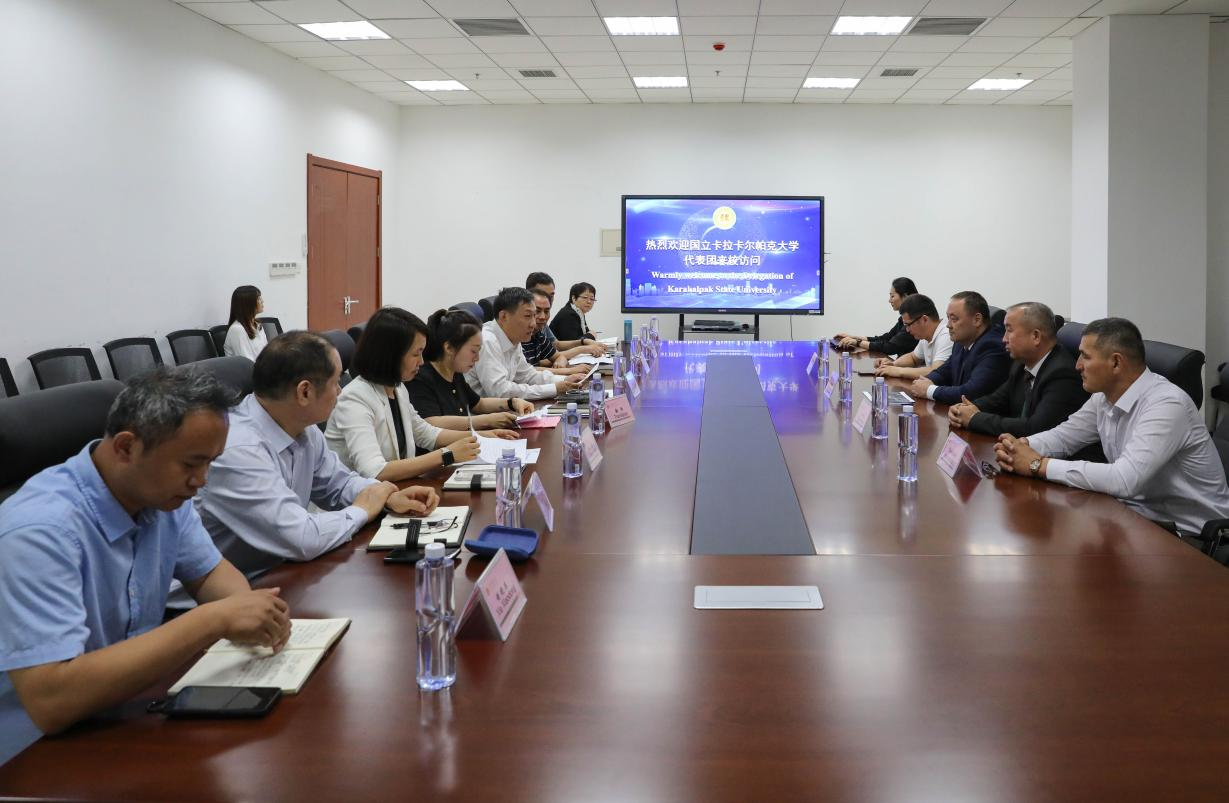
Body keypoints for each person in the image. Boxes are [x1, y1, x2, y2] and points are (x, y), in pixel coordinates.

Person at [0, 368, 292, 765]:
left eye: (210, 463)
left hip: (125, 715)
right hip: (33, 757)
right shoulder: (40, 531)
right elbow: (51, 701)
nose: (201, 481)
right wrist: (214, 620)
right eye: (191, 464)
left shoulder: (161, 496)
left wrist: (252, 616)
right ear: (126, 447)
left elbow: (211, 574)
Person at [193, 331, 439, 582]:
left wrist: (386, 496)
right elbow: (301, 538)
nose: (340, 391)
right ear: (305, 392)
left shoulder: (301, 427)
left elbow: (338, 484)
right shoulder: (238, 450)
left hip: (281, 571)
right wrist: (362, 510)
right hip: (227, 592)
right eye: (336, 382)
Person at [994, 317, 1229, 536]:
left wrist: (1038, 465)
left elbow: (1124, 480)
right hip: (1135, 518)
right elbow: (1065, 436)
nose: (1077, 366)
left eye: (1085, 357)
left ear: (1116, 362)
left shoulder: (1167, 404)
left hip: (1193, 536)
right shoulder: (1104, 397)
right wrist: (1020, 447)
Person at [326, 308, 489, 481]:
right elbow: (374, 471)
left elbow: (425, 433)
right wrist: (447, 454)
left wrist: (484, 437)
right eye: (416, 354)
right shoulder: (354, 400)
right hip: (361, 496)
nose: (422, 361)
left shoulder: (398, 388)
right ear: (391, 355)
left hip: (399, 489)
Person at [949, 302, 1089, 437]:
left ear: (1036, 336)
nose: (1004, 339)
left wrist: (974, 418)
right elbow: (998, 400)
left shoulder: (1062, 374)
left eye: (1009, 330)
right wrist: (962, 409)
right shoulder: (1021, 363)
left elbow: (1034, 428)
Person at [409, 308, 536, 429]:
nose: (477, 358)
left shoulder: (455, 372)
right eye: (473, 351)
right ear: (449, 348)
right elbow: (431, 422)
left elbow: (478, 404)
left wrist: (512, 403)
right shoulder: (420, 378)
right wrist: (486, 421)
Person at [468, 287, 585, 400]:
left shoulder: (514, 337)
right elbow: (500, 391)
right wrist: (553, 389)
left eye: (534, 315)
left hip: (504, 408)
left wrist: (564, 380)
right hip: (479, 412)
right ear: (503, 316)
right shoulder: (486, 340)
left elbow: (528, 376)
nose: (533, 323)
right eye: (528, 316)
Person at [908, 291, 1010, 403]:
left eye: (954, 319)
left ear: (977, 320)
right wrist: (925, 381)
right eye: (948, 318)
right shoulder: (960, 343)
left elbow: (970, 392)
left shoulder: (993, 346)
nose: (948, 325)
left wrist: (928, 390)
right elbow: (944, 372)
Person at [526, 273, 605, 360]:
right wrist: (584, 347)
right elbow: (537, 363)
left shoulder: (541, 324)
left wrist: (584, 341)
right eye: (542, 293)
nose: (548, 299)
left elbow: (555, 345)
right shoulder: (568, 314)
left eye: (551, 295)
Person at [873, 294, 953, 380]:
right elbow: (913, 358)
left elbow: (935, 371)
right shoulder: (926, 336)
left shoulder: (946, 336)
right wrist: (892, 364)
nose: (907, 330)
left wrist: (898, 371)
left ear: (924, 319)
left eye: (908, 324)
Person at [835, 277, 919, 355]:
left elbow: (890, 347)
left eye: (892, 296)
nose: (889, 300)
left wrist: (857, 342)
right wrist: (853, 338)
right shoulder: (903, 320)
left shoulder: (913, 321)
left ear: (905, 296)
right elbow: (885, 338)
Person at [524, 289, 601, 373]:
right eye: (537, 311)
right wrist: (568, 370)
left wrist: (561, 359)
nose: (543, 317)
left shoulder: (538, 334)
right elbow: (527, 369)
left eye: (592, 299)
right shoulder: (568, 314)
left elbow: (556, 348)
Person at [222, 285, 268, 361]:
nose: (262, 301)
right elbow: (247, 362)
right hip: (246, 368)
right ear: (248, 304)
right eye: (258, 299)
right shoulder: (237, 329)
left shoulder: (257, 325)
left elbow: (267, 353)